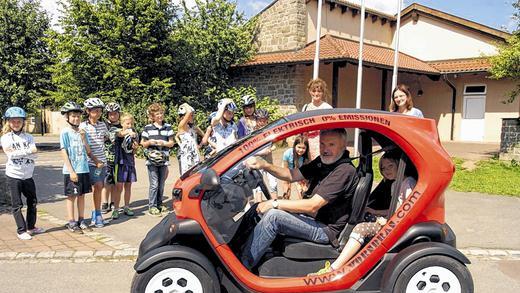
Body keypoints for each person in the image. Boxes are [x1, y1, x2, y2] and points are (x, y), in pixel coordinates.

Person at [241, 128, 359, 269]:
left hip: (325, 229)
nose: (325, 149)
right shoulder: (323, 162)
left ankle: (242, 268)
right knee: (257, 208)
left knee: (274, 216)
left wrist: (274, 203)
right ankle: (234, 251)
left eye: (331, 144)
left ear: (343, 145)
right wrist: (265, 165)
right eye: (322, 144)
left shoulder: (344, 170)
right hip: (312, 218)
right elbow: (292, 175)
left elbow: (312, 205)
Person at [311, 151, 417, 275]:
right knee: (365, 216)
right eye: (383, 168)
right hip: (394, 221)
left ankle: (335, 268)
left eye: (390, 166)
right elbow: (395, 208)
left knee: (361, 228)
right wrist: (375, 212)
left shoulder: (408, 183)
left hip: (401, 225)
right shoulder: (395, 185)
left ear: (399, 165)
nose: (387, 170)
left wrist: (388, 221)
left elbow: (409, 209)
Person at [1, 107, 44, 240]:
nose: (16, 123)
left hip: (28, 175)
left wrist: (29, 153)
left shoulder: (29, 137)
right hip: (14, 175)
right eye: (13, 121)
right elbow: (11, 154)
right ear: (8, 122)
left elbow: (35, 155)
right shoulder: (5, 138)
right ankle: (21, 230)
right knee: (17, 204)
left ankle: (31, 227)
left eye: (19, 121)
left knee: (33, 201)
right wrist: (28, 152)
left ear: (23, 122)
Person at [59, 101, 95, 234]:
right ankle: (71, 221)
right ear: (67, 117)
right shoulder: (65, 132)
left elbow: (88, 150)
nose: (76, 118)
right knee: (71, 196)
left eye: (78, 116)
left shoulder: (82, 132)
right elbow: (64, 152)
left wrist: (84, 138)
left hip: (83, 169)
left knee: (82, 196)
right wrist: (71, 170)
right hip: (72, 171)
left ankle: (81, 219)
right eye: (73, 116)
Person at [140, 103, 175, 216]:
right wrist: (150, 142)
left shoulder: (168, 127)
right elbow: (142, 143)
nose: (160, 116)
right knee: (154, 183)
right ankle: (152, 206)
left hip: (164, 159)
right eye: (157, 114)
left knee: (161, 183)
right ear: (152, 116)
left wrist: (164, 143)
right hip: (151, 160)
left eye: (161, 113)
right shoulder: (148, 128)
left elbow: (172, 143)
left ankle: (159, 204)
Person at [80, 97, 109, 228]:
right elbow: (85, 147)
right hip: (91, 162)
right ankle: (96, 214)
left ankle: (96, 213)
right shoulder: (83, 127)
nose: (97, 113)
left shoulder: (102, 125)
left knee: (100, 186)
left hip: (102, 162)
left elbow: (108, 138)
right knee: (96, 186)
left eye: (99, 111)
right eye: (94, 111)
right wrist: (95, 160)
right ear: (88, 111)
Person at [111, 113, 138, 219]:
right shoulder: (118, 132)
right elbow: (120, 135)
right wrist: (127, 132)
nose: (129, 125)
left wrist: (135, 147)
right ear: (122, 123)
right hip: (120, 162)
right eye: (127, 123)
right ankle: (116, 209)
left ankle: (127, 206)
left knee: (128, 186)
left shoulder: (134, 134)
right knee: (119, 187)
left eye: (131, 123)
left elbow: (134, 151)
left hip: (130, 162)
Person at [302, 78, 333, 160]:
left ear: (323, 93)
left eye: (319, 91)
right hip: (308, 142)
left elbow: (331, 127)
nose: (316, 93)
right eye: (313, 91)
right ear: (309, 91)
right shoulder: (305, 107)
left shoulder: (327, 108)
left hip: (322, 141)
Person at [252, 109, 278, 202]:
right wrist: (262, 152)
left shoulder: (270, 131)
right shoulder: (253, 133)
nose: (262, 122)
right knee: (259, 185)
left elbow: (275, 144)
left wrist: (271, 149)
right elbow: (251, 150)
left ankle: (275, 203)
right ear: (256, 120)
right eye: (260, 120)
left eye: (264, 120)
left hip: (269, 161)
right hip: (258, 161)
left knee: (273, 183)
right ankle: (258, 205)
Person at [101, 102, 122, 214]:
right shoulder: (104, 125)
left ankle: (113, 202)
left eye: (115, 114)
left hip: (119, 158)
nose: (113, 116)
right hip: (107, 158)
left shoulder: (122, 126)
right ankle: (105, 202)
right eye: (111, 114)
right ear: (107, 115)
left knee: (115, 181)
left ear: (119, 114)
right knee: (106, 181)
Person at [176, 103, 203, 174]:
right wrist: (185, 105)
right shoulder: (182, 126)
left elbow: (204, 135)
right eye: (191, 115)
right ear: (183, 117)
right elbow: (189, 112)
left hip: (195, 154)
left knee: (196, 175)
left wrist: (200, 145)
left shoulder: (194, 127)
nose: (193, 116)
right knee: (186, 175)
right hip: (185, 155)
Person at [281, 135, 310, 200]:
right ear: (294, 146)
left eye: (303, 148)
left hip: (298, 171)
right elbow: (285, 169)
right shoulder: (287, 153)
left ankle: (302, 204)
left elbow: (305, 171)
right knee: (287, 189)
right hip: (288, 170)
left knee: (302, 190)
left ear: (306, 148)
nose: (300, 150)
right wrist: (287, 183)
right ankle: (286, 202)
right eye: (299, 147)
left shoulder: (306, 156)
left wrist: (304, 183)